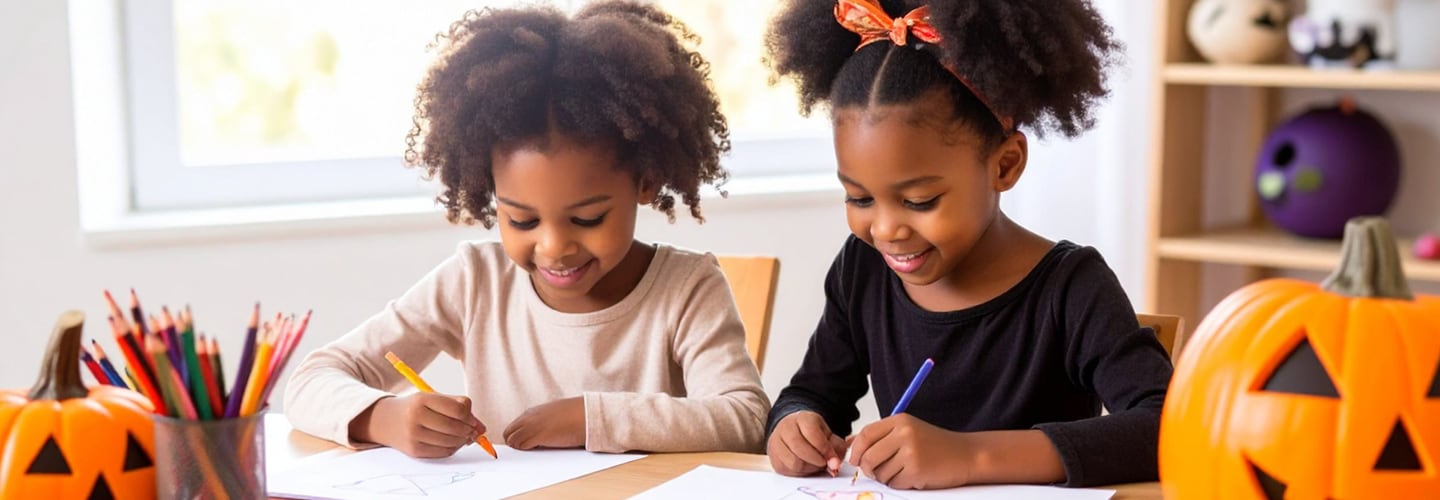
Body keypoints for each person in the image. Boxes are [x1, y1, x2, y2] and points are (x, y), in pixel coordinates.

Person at [284, 0, 768, 458]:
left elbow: (745, 419)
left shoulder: (687, 289)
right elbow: (312, 380)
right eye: (522, 220)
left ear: (646, 182)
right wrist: (382, 417)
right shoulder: (475, 281)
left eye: (586, 219)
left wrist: (591, 417)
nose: (554, 247)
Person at [763, 0, 1173, 489]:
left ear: (1005, 165)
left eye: (920, 200)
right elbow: (812, 393)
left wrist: (970, 456)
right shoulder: (863, 271)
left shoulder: (1071, 287)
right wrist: (794, 425)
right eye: (860, 197)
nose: (887, 230)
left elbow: (1166, 427)